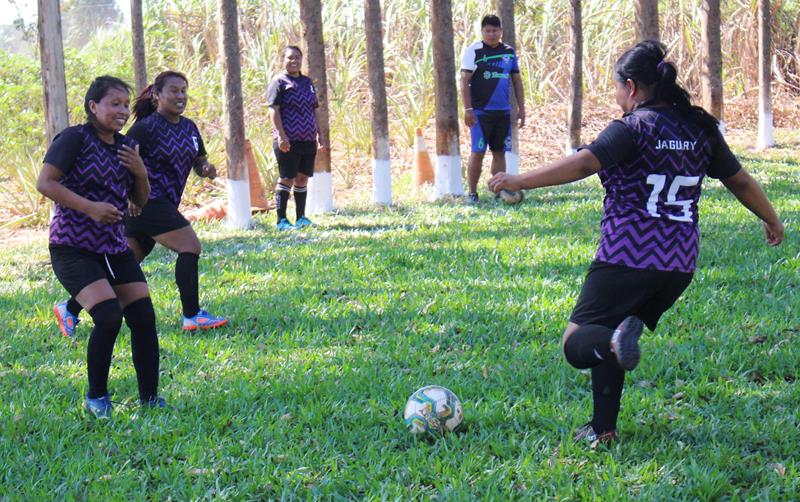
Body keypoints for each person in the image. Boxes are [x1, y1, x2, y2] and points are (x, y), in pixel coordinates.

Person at [489, 41, 784, 445]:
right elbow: (740, 180)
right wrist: (770, 218)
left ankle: (610, 353)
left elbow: (585, 162)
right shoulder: (700, 129)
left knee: (578, 343)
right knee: (611, 337)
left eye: (615, 87)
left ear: (630, 86)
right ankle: (603, 430)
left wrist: (519, 179)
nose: (615, 96)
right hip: (678, 265)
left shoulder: (633, 128)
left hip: (627, 256)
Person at [53, 71, 228, 335]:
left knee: (128, 261)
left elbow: (198, 159)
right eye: (173, 90)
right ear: (157, 95)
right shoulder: (146, 128)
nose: (180, 96)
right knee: (190, 246)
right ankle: (192, 315)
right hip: (148, 203)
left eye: (184, 90)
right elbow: (120, 158)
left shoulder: (190, 127)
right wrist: (129, 196)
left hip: (165, 203)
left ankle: (69, 309)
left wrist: (205, 167)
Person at [38, 76, 167, 418]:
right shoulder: (74, 139)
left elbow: (138, 201)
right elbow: (45, 183)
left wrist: (141, 173)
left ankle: (151, 399)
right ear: (93, 106)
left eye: (125, 104)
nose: (122, 111)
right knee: (109, 317)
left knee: (142, 316)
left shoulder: (126, 148)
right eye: (114, 103)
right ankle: (97, 399)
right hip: (72, 246)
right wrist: (90, 208)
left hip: (113, 247)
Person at [460, 14, 526, 204]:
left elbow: (517, 81)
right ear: (482, 32)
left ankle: (499, 191)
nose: (491, 34)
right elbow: (464, 82)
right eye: (487, 31)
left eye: (495, 31)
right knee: (478, 152)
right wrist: (468, 109)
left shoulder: (508, 52)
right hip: (480, 113)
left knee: (499, 152)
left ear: (501, 32)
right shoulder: (474, 51)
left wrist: (522, 108)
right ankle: (472, 193)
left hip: (503, 113)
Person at [267, 45, 327, 230]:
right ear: (283, 60)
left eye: (297, 58)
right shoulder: (279, 82)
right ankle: (282, 220)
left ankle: (301, 217)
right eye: (290, 58)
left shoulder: (307, 82)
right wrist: (281, 136)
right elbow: (273, 110)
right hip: (289, 140)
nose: (294, 61)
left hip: (307, 139)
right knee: (287, 177)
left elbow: (315, 109)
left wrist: (320, 134)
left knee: (302, 178)